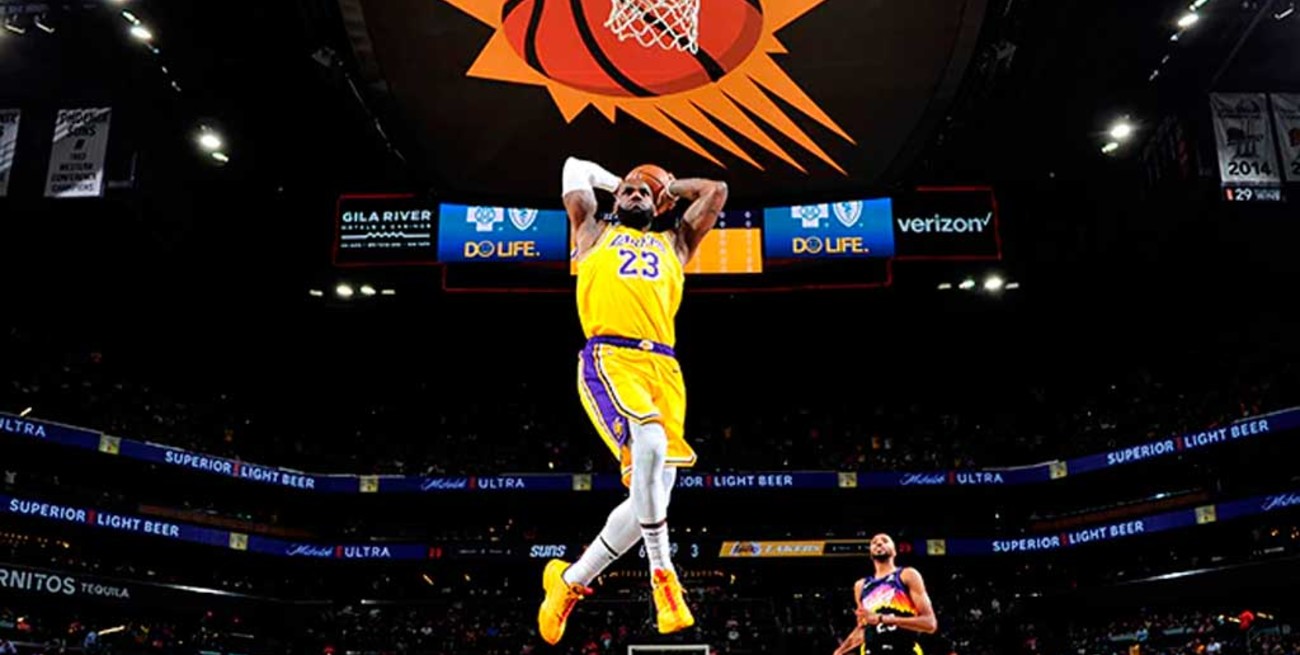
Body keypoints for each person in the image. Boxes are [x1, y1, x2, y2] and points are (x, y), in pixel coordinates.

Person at [537, 156, 727, 645]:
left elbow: (716, 191)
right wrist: (619, 181)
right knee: (650, 442)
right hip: (611, 357)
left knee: (654, 494)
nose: (635, 194)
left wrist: (668, 187)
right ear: (614, 200)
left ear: (658, 203)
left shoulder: (676, 242)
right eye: (628, 192)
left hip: (664, 367)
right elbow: (572, 166)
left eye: (644, 192)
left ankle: (569, 582)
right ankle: (663, 575)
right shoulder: (591, 231)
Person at [833, 534, 938, 655]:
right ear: (870, 554)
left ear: (894, 551)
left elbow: (930, 623)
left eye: (885, 541)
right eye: (874, 542)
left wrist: (882, 619)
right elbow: (863, 629)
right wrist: (840, 651)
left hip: (905, 649)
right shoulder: (860, 586)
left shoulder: (907, 575)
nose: (879, 543)